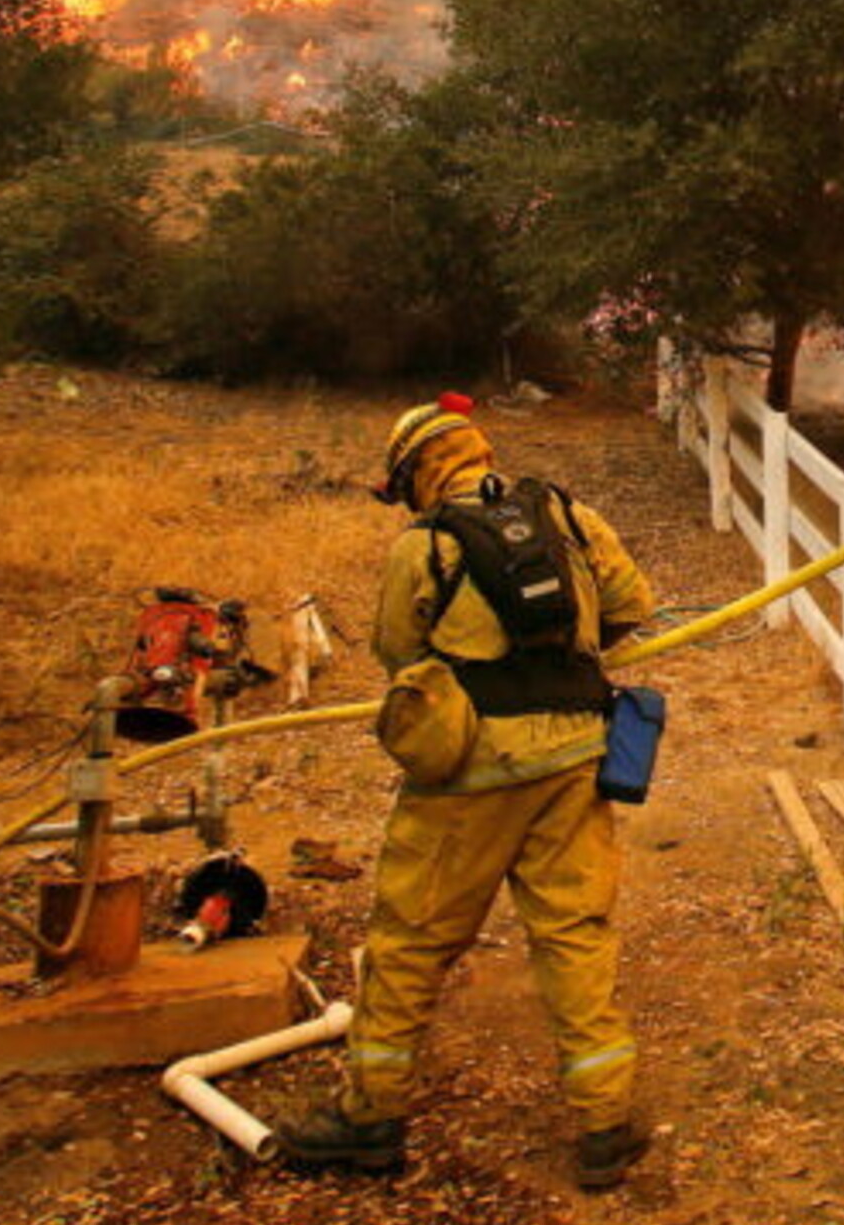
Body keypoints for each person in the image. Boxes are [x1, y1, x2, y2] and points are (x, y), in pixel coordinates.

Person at [278, 394, 657, 1189]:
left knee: (411, 941)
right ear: (479, 451)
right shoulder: (565, 514)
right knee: (576, 934)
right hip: (576, 759)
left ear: (417, 472)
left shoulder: (427, 547)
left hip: (472, 775)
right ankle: (605, 1126)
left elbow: (398, 655)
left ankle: (369, 1116)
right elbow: (633, 605)